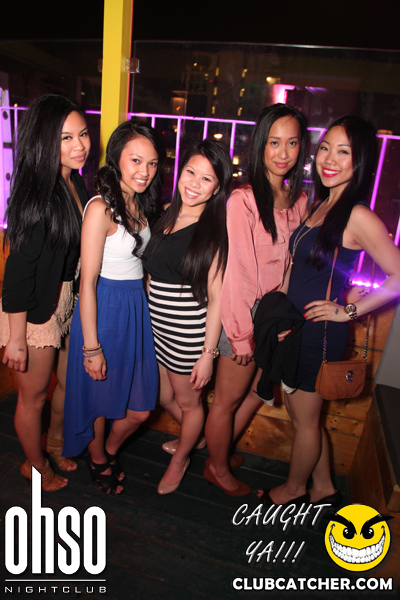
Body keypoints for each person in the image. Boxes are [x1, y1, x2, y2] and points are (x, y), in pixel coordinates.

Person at [260, 115, 400, 507]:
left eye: (343, 152)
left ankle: (294, 489)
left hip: (319, 333)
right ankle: (322, 485)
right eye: (325, 148)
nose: (329, 159)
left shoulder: (357, 215)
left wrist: (348, 311)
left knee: (304, 420)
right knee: (303, 415)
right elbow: (298, 269)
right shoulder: (322, 205)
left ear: (360, 162)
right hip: (298, 327)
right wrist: (280, 313)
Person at [204, 103, 308, 496]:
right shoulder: (243, 199)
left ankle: (218, 453)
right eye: (274, 142)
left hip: (274, 313)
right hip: (243, 312)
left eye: (292, 143)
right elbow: (240, 273)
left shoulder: (299, 199)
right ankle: (217, 468)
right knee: (226, 402)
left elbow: (294, 265)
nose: (283, 152)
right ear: (260, 145)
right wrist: (242, 334)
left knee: (256, 392)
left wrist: (283, 317)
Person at [62, 121, 165, 494]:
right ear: (116, 158)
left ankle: (106, 450)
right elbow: (87, 282)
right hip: (103, 308)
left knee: (140, 408)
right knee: (99, 398)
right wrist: (91, 347)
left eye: (152, 163)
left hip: (135, 309)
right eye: (136, 160)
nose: (144, 171)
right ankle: (99, 459)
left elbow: (142, 267)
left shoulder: (140, 204)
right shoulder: (99, 207)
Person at [0, 93, 91, 491]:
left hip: (66, 297)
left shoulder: (74, 181)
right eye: (66, 138)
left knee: (68, 384)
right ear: (44, 141)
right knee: (32, 398)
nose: (79, 145)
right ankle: (35, 466)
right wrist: (17, 338)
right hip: (35, 311)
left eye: (83, 134)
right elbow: (18, 272)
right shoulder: (38, 193)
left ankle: (53, 442)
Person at [144, 140, 232, 494]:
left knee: (188, 404)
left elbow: (217, 300)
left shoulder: (214, 233)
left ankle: (180, 459)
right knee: (165, 399)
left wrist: (207, 355)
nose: (194, 183)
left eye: (206, 179)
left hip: (186, 336)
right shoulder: (166, 214)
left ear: (217, 188)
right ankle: (197, 438)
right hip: (157, 330)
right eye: (190, 172)